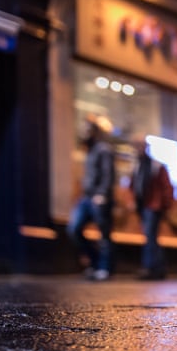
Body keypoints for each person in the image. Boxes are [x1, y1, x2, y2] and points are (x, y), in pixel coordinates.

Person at [68, 117, 116, 280]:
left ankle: (105, 267)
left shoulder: (104, 150)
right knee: (74, 229)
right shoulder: (89, 151)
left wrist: (102, 194)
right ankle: (95, 262)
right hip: (87, 197)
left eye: (87, 131)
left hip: (99, 197)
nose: (84, 134)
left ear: (95, 132)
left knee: (104, 233)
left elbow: (108, 174)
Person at [129, 137, 174, 280]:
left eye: (140, 146)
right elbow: (133, 186)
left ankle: (149, 267)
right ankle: (159, 267)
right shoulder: (136, 165)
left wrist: (165, 206)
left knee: (149, 236)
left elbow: (166, 187)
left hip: (153, 207)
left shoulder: (155, 165)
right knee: (151, 237)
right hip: (142, 206)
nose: (138, 149)